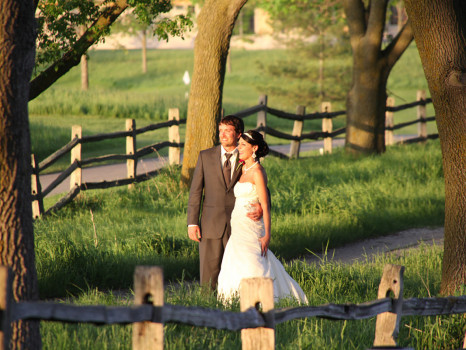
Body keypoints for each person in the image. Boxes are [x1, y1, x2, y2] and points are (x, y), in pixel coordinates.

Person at [217, 130, 308, 304]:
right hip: (238, 228)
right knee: (235, 260)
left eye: (243, 145)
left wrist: (267, 235)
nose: (239, 147)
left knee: (253, 262)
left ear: (255, 148)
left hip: (252, 227)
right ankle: (234, 300)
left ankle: (263, 298)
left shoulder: (258, 172)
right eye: (239, 144)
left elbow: (265, 205)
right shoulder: (242, 167)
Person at [187, 115, 262, 289]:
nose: (223, 135)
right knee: (209, 275)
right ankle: (207, 311)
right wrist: (192, 223)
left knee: (235, 272)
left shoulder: (246, 156)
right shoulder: (205, 156)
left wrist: (261, 206)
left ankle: (235, 308)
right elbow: (195, 191)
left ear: (238, 134)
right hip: (210, 223)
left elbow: (262, 187)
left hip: (239, 226)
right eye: (220, 131)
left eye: (228, 131)